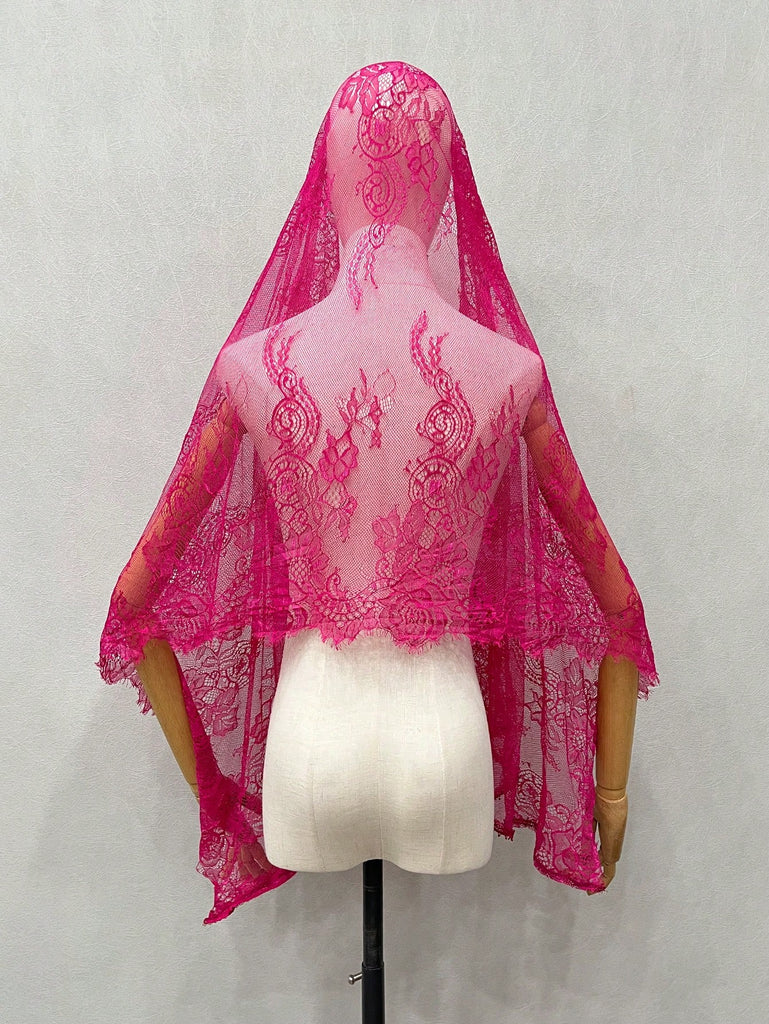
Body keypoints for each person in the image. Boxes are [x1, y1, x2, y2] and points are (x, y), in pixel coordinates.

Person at [98, 61, 659, 925]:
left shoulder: (252, 367)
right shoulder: (509, 370)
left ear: (330, 176)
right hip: (443, 752)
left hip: (308, 755)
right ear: (443, 182)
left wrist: (215, 800)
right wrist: (609, 797)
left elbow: (133, 606)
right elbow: (617, 608)